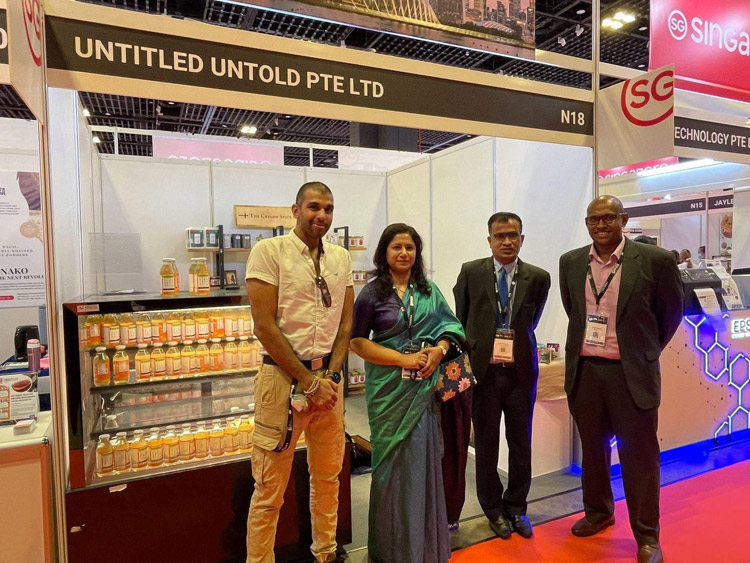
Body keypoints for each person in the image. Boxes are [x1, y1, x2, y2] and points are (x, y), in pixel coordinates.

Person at [559, 195, 683, 563]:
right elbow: (573, 309)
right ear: (587, 223)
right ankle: (598, 512)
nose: (601, 225)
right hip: (586, 372)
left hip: (631, 375)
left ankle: (647, 535)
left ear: (623, 219)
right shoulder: (571, 262)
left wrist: (643, 352)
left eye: (609, 217)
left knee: (640, 457)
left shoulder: (656, 260)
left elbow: (670, 314)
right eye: (594, 219)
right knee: (593, 450)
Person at [245, 181, 354, 563]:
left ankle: (325, 552)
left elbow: (345, 324)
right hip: (281, 381)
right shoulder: (268, 252)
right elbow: (264, 326)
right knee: (269, 489)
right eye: (313, 207)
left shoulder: (341, 258)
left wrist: (331, 377)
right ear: (295, 210)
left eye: (328, 208)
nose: (321, 215)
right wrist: (309, 383)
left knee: (328, 477)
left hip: (329, 382)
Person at [350, 223, 465, 563]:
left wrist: (439, 351)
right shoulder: (372, 293)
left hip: (423, 389)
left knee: (422, 463)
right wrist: (403, 359)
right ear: (384, 252)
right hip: (389, 391)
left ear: (417, 253)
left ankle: (424, 548)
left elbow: (452, 327)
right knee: (389, 466)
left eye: (410, 248)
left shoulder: (429, 291)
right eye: (396, 247)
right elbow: (357, 342)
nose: (403, 253)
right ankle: (390, 551)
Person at [453, 212, 551, 540]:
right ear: (489, 240)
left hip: (520, 373)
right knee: (486, 443)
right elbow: (462, 318)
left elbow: (531, 320)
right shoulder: (471, 272)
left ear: (522, 238)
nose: (507, 241)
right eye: (500, 236)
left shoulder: (538, 277)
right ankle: (492, 508)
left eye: (513, 235)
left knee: (521, 443)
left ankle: (517, 507)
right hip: (484, 373)